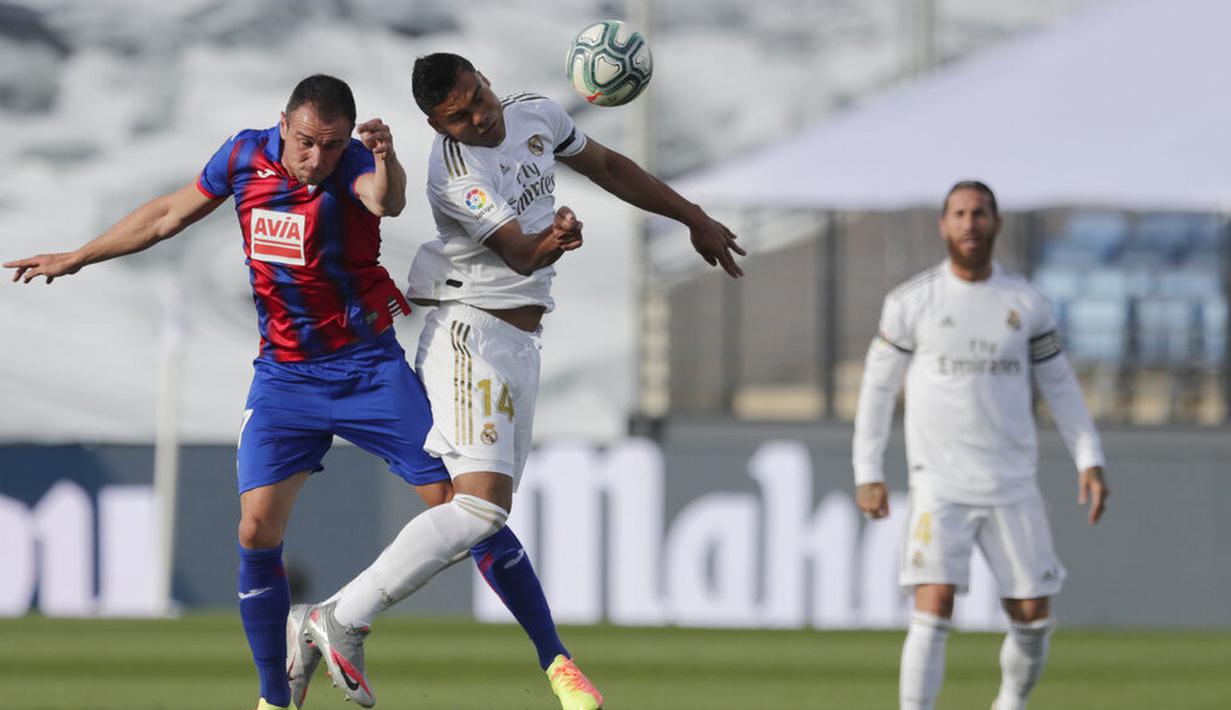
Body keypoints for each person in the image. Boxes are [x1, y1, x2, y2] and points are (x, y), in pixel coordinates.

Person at [4, 74, 580, 710]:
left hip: (369, 370)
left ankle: (556, 662)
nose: (318, 158)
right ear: (283, 125)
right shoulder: (242, 157)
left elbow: (384, 201)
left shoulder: (358, 165)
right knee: (255, 530)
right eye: (307, 142)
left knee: (463, 508)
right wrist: (79, 256)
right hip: (284, 378)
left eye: (332, 146)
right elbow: (167, 214)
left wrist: (383, 161)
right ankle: (275, 698)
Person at [291, 52, 746, 710]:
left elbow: (609, 167)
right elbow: (517, 252)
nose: (480, 117)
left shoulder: (534, 113)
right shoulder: (453, 172)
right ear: (436, 125)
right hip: (467, 334)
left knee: (481, 514)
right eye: (460, 116)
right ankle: (340, 618)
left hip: (518, 343)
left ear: (484, 79)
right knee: (478, 508)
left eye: (479, 97)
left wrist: (690, 214)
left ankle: (318, 628)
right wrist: (554, 238)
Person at [851, 180, 1110, 710]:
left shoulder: (1026, 304)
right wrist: (867, 470)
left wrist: (1090, 457)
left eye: (980, 214)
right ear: (944, 225)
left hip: (1012, 483)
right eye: (960, 214)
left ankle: (1009, 703)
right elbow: (877, 388)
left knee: (1033, 615)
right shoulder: (911, 302)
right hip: (938, 482)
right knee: (933, 602)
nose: (970, 224)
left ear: (996, 224)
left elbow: (1059, 385)